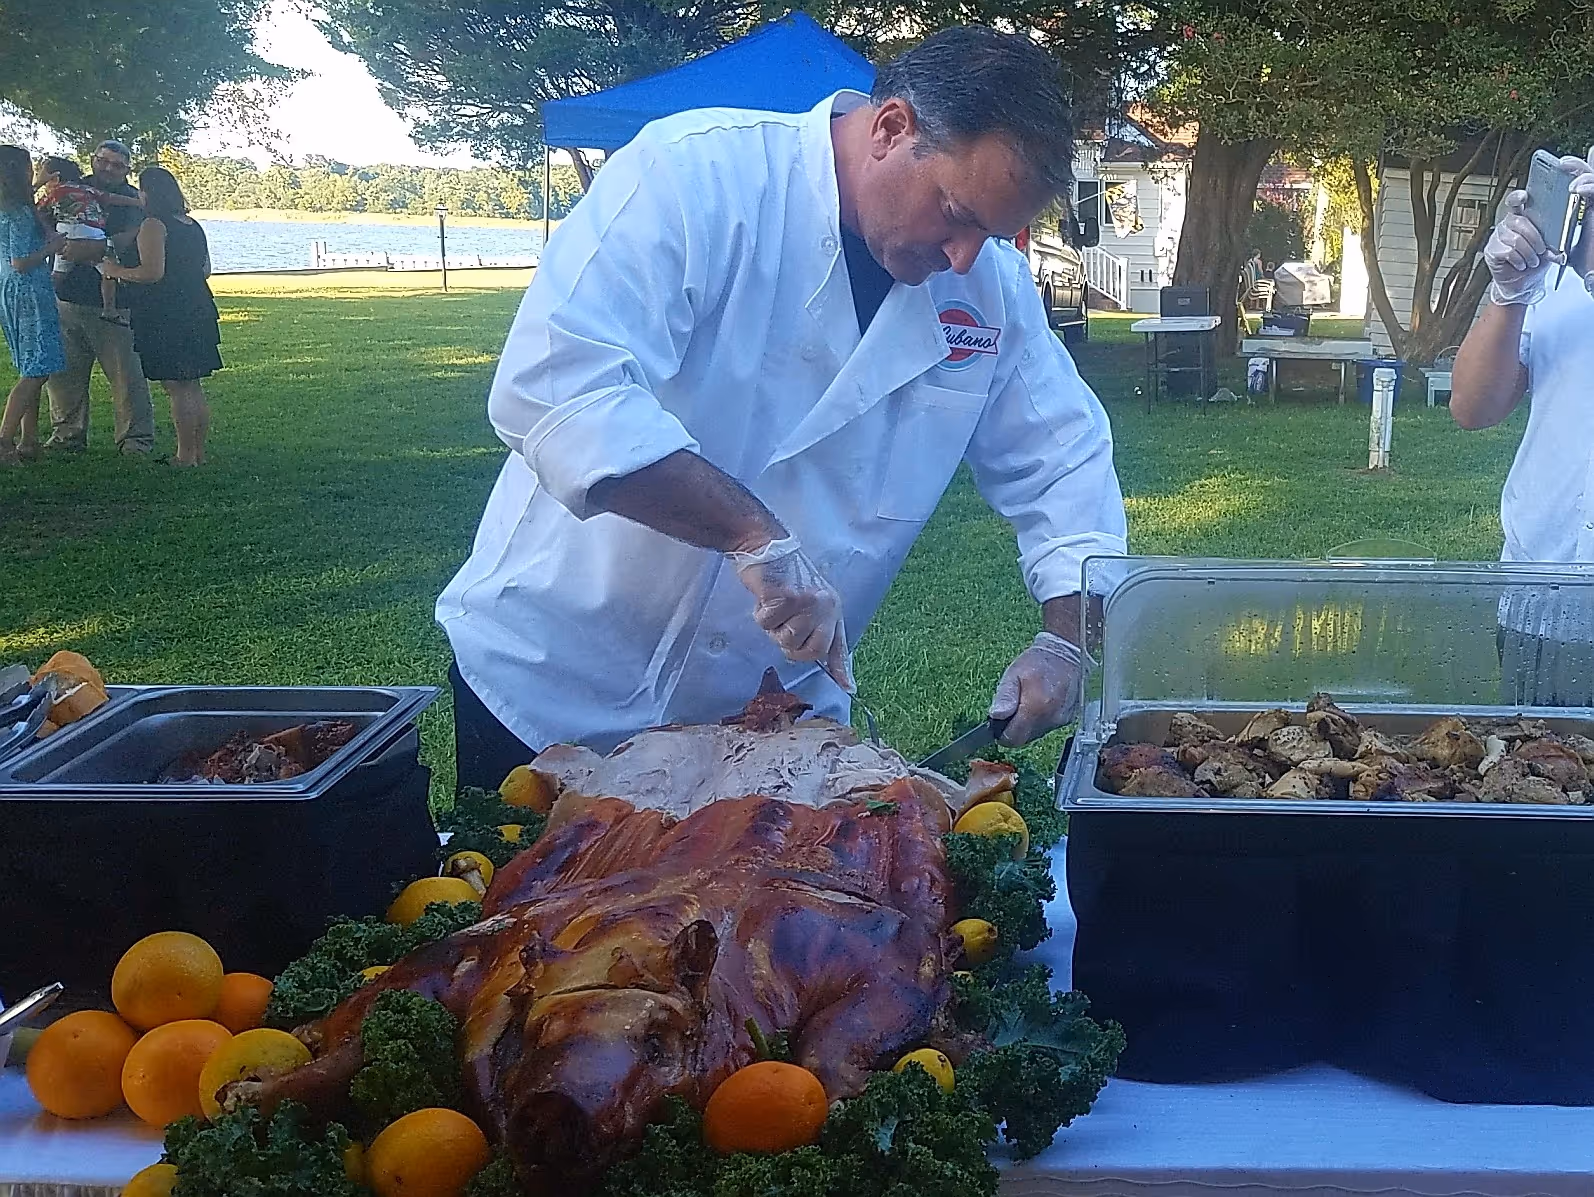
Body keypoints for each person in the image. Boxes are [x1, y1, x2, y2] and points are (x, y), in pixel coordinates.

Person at [436, 27, 1128, 788]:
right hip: (556, 689)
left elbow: (1065, 463)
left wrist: (1067, 639)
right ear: (891, 127)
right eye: (955, 212)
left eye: (994, 235)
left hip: (772, 725)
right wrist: (751, 535)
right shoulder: (694, 176)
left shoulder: (989, 288)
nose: (963, 257)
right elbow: (555, 383)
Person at [1451, 147, 1594, 704]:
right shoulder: (1566, 267)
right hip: (1543, 592)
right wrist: (1512, 291)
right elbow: (1473, 407)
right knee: (1538, 773)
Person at [101, 166, 220, 467]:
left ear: (149, 193)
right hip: (197, 306)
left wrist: (115, 271)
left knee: (176, 386)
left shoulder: (154, 225)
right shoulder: (192, 224)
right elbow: (205, 269)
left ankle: (184, 455)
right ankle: (198, 453)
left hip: (167, 313)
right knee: (192, 384)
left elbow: (152, 273)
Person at [43, 140, 155, 456]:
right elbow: (46, 225)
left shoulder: (134, 202)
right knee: (63, 377)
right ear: (93, 160)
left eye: (117, 165)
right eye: (103, 161)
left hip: (116, 304)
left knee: (126, 379)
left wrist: (87, 248)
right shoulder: (71, 187)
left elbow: (127, 240)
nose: (108, 168)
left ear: (127, 169)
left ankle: (135, 442)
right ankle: (66, 437)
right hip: (66, 299)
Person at [0, 146, 68, 464]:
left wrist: (40, 185)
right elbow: (20, 262)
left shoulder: (9, 205)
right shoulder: (18, 213)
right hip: (29, 290)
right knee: (38, 369)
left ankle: (29, 441)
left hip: (9, 292)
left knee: (30, 364)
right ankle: (4, 440)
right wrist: (52, 246)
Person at [33, 156, 139, 317]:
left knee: (57, 275)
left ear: (54, 177)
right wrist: (137, 202)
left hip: (65, 234)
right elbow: (111, 198)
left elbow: (34, 212)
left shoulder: (54, 192)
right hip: (93, 232)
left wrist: (49, 231)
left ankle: (39, 303)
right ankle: (109, 309)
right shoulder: (86, 189)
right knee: (109, 271)